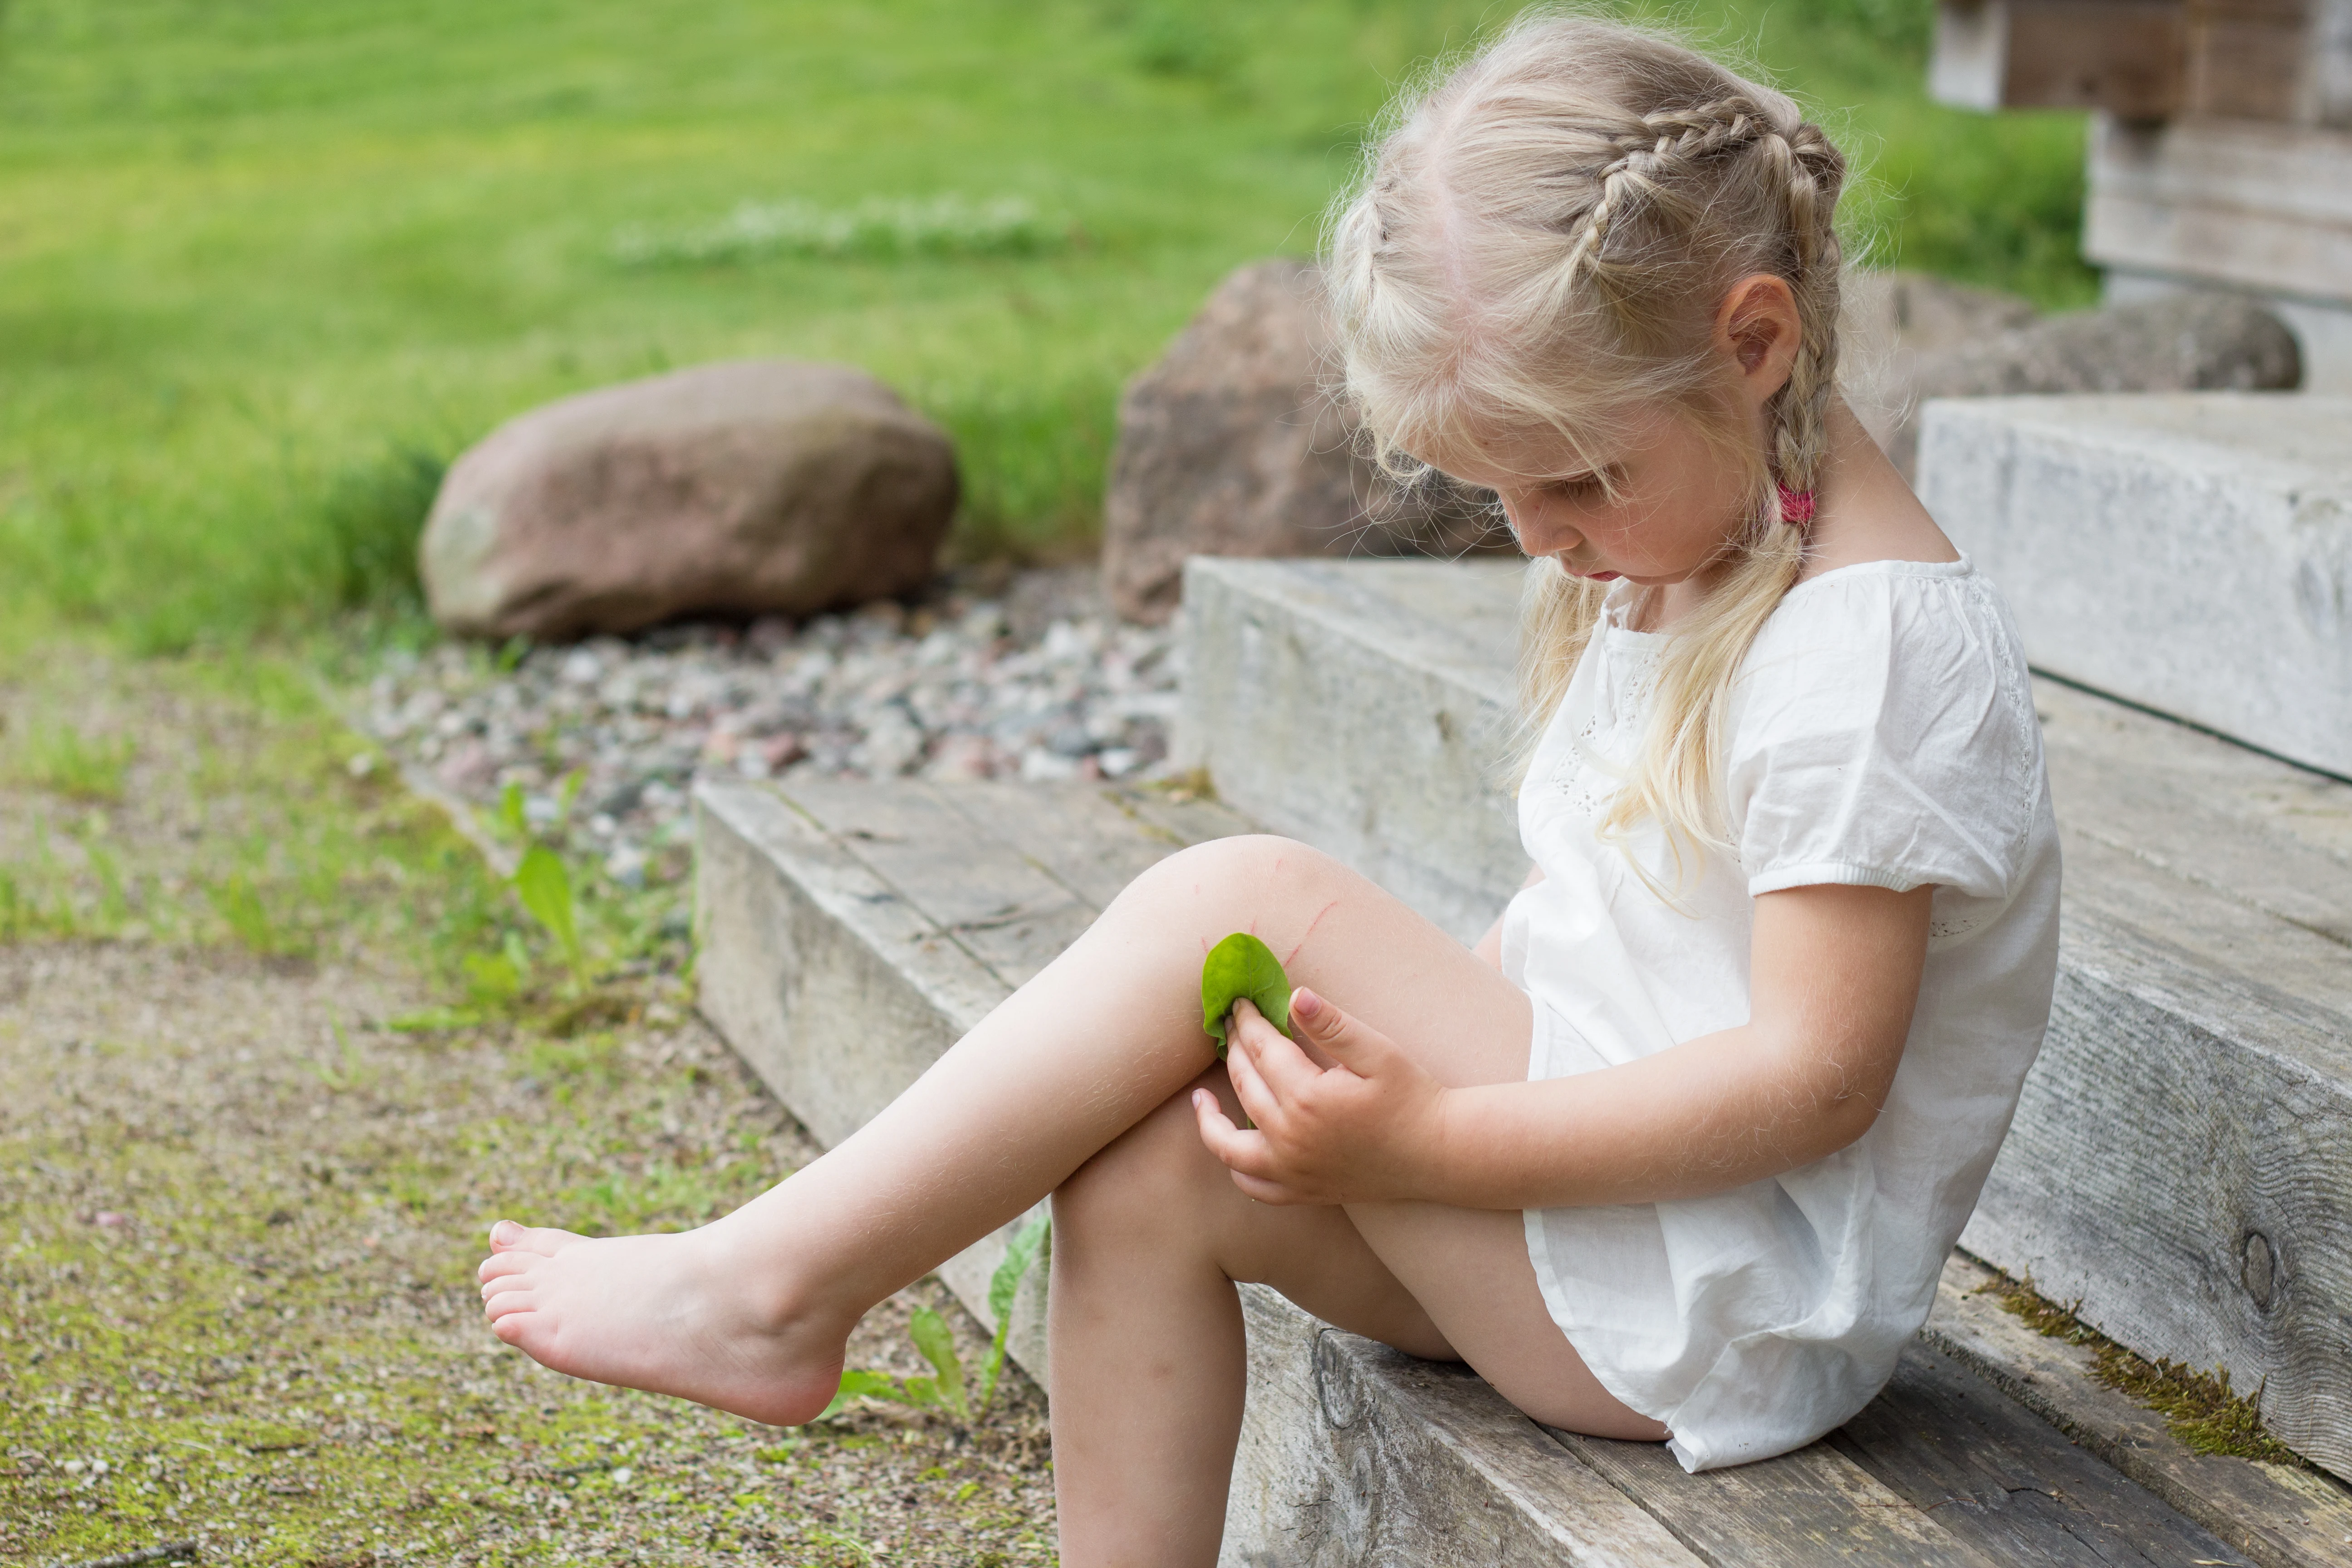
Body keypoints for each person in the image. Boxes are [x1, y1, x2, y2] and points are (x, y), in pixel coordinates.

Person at [475, 12, 2061, 1564]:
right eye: (1498, 490)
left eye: (1577, 479)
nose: (1538, 537)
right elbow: (1623, 923)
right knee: (1153, 1170)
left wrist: (1428, 1142)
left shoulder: (1872, 654)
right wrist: (1422, 1059)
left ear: (1757, 342)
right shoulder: (1691, 548)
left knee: (1247, 900)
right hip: (1598, 1225)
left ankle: (772, 1290)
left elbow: (1813, 1080)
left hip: (1715, 1306)